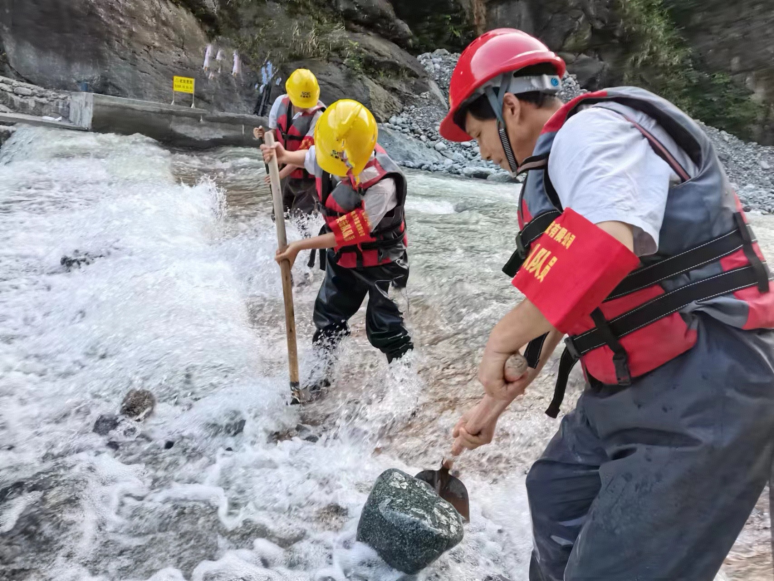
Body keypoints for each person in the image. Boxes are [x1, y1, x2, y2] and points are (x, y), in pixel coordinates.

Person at [441, 28, 774, 581]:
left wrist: (499, 338)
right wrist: (491, 408)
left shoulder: (593, 132)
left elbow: (608, 245)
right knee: (554, 494)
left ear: (510, 108)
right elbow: (568, 302)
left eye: (478, 135)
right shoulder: (551, 176)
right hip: (631, 390)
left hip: (710, 375)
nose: (484, 153)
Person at [261, 99, 413, 402]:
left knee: (385, 326)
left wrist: (299, 246)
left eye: (343, 170)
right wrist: (285, 154)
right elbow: (311, 158)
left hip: (383, 259)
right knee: (328, 315)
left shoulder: (383, 186)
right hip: (344, 257)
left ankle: (405, 388)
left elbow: (345, 234)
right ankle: (320, 378)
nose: (338, 175)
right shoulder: (334, 150)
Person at [254, 69, 325, 221]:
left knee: (302, 220)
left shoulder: (318, 118)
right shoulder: (280, 103)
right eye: (300, 103)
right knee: (279, 215)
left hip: (307, 178)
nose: (303, 107)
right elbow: (275, 133)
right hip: (284, 172)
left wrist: (279, 175)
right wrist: (265, 136)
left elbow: (305, 156)